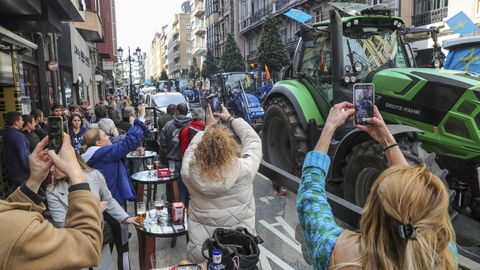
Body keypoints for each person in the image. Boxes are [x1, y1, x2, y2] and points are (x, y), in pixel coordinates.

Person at [296, 102, 457, 270]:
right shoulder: (445, 255)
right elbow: (414, 199)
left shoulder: (334, 252)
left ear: (372, 211)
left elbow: (310, 197)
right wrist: (388, 140)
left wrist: (329, 127)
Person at [0, 135, 102, 269]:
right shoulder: (19, 233)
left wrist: (34, 181)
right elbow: (87, 246)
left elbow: (7, 214)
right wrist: (76, 175)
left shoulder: (94, 175)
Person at [181, 105, 262, 263]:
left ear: (200, 150)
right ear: (231, 147)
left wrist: (208, 128)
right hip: (239, 250)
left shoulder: (188, 173)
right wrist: (231, 119)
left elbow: (189, 151)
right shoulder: (243, 169)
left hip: (204, 251)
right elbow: (253, 141)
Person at [81, 104, 148, 270]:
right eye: (105, 135)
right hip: (113, 204)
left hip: (100, 206)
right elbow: (130, 142)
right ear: (98, 142)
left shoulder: (89, 155)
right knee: (123, 249)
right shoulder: (105, 153)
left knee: (105, 249)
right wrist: (139, 118)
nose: (109, 137)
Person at [47, 153, 138, 270]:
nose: (51, 169)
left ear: (71, 162)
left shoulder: (94, 175)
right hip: (75, 247)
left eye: (55, 165)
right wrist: (94, 210)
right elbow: (61, 224)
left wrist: (125, 217)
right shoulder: (52, 191)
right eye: (50, 165)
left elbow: (108, 200)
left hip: (98, 241)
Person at [160, 103, 191, 205]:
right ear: (186, 112)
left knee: (172, 190)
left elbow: (163, 145)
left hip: (172, 163)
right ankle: (186, 212)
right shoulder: (191, 126)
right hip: (188, 162)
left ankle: (173, 213)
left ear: (177, 112)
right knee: (188, 189)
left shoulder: (168, 125)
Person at [1, 112, 30, 193]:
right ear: (16, 122)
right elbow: (23, 156)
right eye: (21, 120)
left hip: (11, 171)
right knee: (25, 196)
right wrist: (30, 170)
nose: (23, 122)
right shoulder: (17, 135)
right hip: (21, 173)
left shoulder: (4, 134)